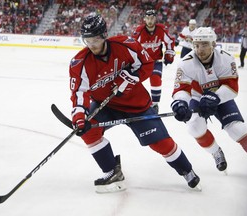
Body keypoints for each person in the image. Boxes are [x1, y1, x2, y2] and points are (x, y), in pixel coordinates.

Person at [69, 14, 200, 193]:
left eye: (95, 39)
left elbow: (147, 63)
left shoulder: (126, 45)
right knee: (88, 132)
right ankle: (112, 172)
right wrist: (79, 117)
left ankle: (187, 170)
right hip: (105, 105)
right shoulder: (79, 63)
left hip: (136, 105)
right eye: (87, 40)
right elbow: (79, 93)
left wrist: (134, 77)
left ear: (104, 35)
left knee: (161, 143)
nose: (92, 44)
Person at [171, 27, 247, 173]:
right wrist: (180, 103)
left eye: (204, 44)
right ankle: (215, 152)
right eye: (196, 45)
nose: (200, 49)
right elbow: (181, 90)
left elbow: (231, 87)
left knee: (238, 129)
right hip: (197, 97)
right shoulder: (185, 63)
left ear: (214, 44)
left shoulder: (226, 58)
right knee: (194, 127)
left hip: (221, 97)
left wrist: (215, 96)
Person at [131, 9, 175, 113]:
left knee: (155, 79)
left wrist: (169, 53)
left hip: (156, 61)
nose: (150, 21)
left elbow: (170, 41)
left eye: (152, 18)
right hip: (142, 62)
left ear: (155, 19)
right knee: (135, 81)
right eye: (148, 18)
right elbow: (132, 45)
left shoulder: (161, 29)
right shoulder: (139, 30)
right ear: (144, 19)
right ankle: (135, 102)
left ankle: (155, 104)